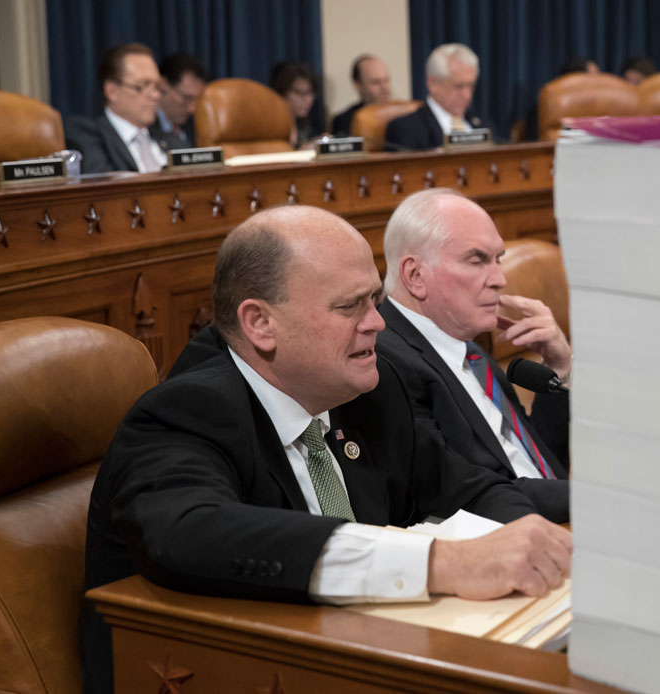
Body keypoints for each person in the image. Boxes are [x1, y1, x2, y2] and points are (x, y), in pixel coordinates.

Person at [81, 204, 571, 693]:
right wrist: (441, 564)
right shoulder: (187, 410)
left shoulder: (370, 388)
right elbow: (190, 531)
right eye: (349, 306)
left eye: (375, 300)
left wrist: (532, 543)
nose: (377, 323)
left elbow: (468, 486)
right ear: (261, 324)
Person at [376, 189, 571, 523]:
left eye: (498, 259)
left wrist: (560, 367)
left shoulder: (467, 346)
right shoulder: (385, 364)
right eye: (477, 260)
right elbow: (468, 496)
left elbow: (539, 463)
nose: (500, 279)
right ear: (415, 276)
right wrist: (600, 497)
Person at [65, 43, 184, 174]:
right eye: (142, 86)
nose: (155, 95)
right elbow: (105, 186)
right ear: (112, 91)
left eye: (156, 87)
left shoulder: (171, 140)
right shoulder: (86, 134)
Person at [385, 43, 484, 150]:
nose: (467, 95)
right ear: (433, 83)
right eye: (459, 86)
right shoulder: (405, 130)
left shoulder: (483, 125)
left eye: (471, 86)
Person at [153, 52, 207, 148]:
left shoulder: (197, 127)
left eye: (197, 100)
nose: (192, 108)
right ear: (163, 85)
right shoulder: (145, 129)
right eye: (186, 98)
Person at [331, 54, 392, 137]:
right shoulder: (344, 121)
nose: (384, 87)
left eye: (386, 80)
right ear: (358, 85)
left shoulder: (405, 115)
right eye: (376, 82)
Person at [270, 60, 321, 148]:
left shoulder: (306, 128)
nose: (307, 100)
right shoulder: (270, 128)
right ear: (282, 93)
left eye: (310, 93)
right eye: (299, 93)